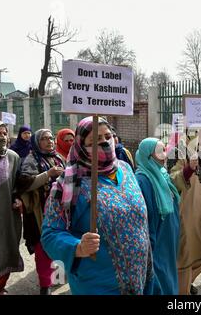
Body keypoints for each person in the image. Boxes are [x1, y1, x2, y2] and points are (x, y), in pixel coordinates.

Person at [41, 117, 151, 295]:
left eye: (108, 136)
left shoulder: (125, 168)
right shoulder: (69, 184)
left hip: (139, 276)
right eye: (95, 140)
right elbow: (50, 234)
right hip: (99, 284)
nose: (105, 143)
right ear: (81, 146)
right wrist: (78, 247)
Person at [168, 129, 201, 295]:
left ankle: (183, 286)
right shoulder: (180, 149)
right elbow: (171, 179)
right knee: (185, 258)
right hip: (186, 212)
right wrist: (188, 168)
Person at [16, 129, 65, 295]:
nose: (49, 141)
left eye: (51, 138)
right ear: (37, 142)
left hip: (61, 211)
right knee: (43, 248)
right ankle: (45, 284)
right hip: (40, 213)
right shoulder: (30, 160)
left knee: (60, 244)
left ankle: (58, 277)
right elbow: (24, 185)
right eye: (44, 139)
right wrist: (48, 174)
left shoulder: (58, 158)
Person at [135, 138, 180, 295]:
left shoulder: (162, 174)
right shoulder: (142, 181)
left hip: (168, 243)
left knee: (169, 280)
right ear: (148, 156)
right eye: (160, 152)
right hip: (156, 245)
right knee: (160, 284)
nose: (165, 155)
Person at [0, 120, 24, 295]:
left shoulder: (13, 157)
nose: (2, 137)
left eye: (4, 133)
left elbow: (18, 185)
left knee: (5, 255)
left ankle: (0, 289)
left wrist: (18, 198)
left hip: (4, 218)